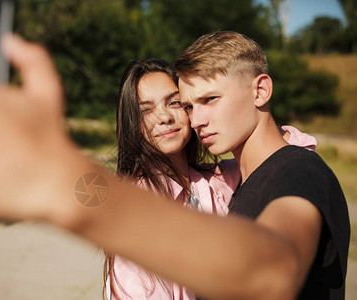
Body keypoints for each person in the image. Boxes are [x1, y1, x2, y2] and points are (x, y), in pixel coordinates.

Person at [0, 32, 349, 300]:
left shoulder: (261, 173)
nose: (187, 117)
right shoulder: (146, 190)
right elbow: (94, 192)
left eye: (189, 102)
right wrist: (66, 182)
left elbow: (272, 271)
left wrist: (54, 182)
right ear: (131, 122)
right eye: (189, 104)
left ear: (260, 90)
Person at [107, 58, 317, 299]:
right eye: (145, 110)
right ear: (131, 123)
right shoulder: (137, 207)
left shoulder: (217, 179)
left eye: (174, 103)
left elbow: (297, 147)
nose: (164, 117)